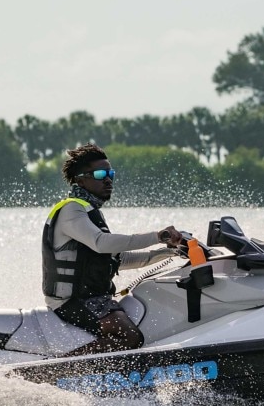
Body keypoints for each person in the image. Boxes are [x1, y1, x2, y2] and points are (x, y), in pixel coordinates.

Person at [43, 143, 187, 356]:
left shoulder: (89, 211)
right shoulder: (71, 209)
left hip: (92, 298)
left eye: (110, 173)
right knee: (129, 336)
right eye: (101, 174)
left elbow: (120, 259)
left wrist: (171, 251)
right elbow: (102, 243)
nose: (108, 179)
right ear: (80, 179)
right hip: (71, 301)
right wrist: (157, 236)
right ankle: (58, 369)